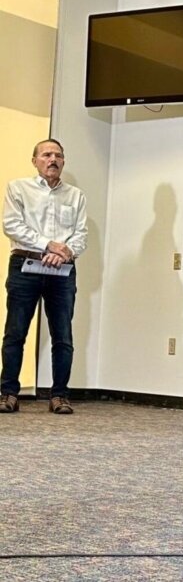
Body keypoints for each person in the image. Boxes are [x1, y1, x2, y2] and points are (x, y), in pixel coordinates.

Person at [1, 139, 87, 415]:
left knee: (62, 335)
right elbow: (12, 225)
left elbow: (81, 234)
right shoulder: (18, 188)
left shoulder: (76, 196)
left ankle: (59, 395)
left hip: (62, 270)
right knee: (15, 332)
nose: (53, 159)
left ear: (64, 161)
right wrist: (49, 245)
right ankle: (8, 393)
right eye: (47, 154)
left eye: (58, 155)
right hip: (25, 265)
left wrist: (65, 251)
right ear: (35, 160)